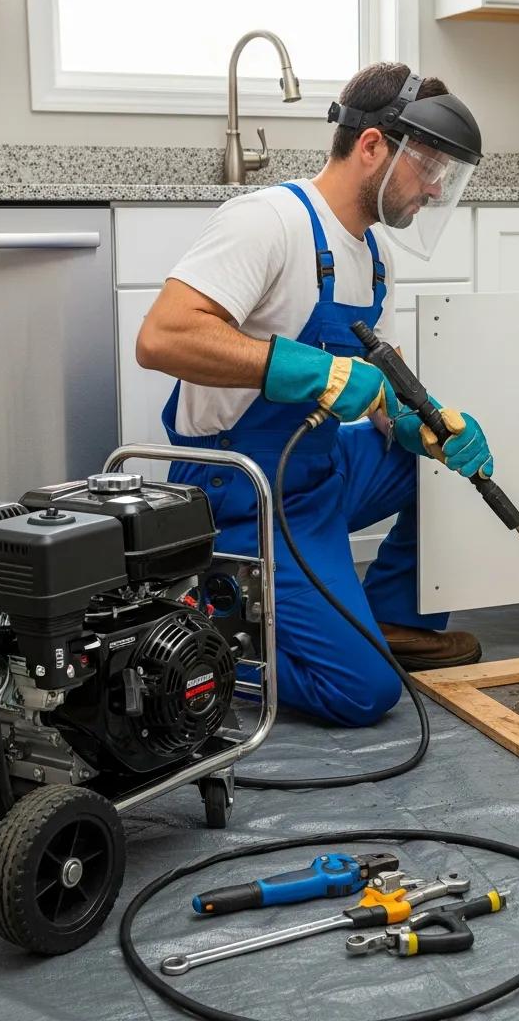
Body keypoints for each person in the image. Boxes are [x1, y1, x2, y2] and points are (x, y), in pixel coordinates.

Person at [136, 62, 491, 727]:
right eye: (430, 166)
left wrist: (424, 422)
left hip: (321, 474)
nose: (437, 189)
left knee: (444, 466)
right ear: (372, 147)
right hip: (245, 493)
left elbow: (380, 380)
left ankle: (392, 622)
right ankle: (203, 649)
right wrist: (312, 372)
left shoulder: (372, 255)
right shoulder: (268, 222)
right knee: (362, 694)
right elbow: (161, 337)